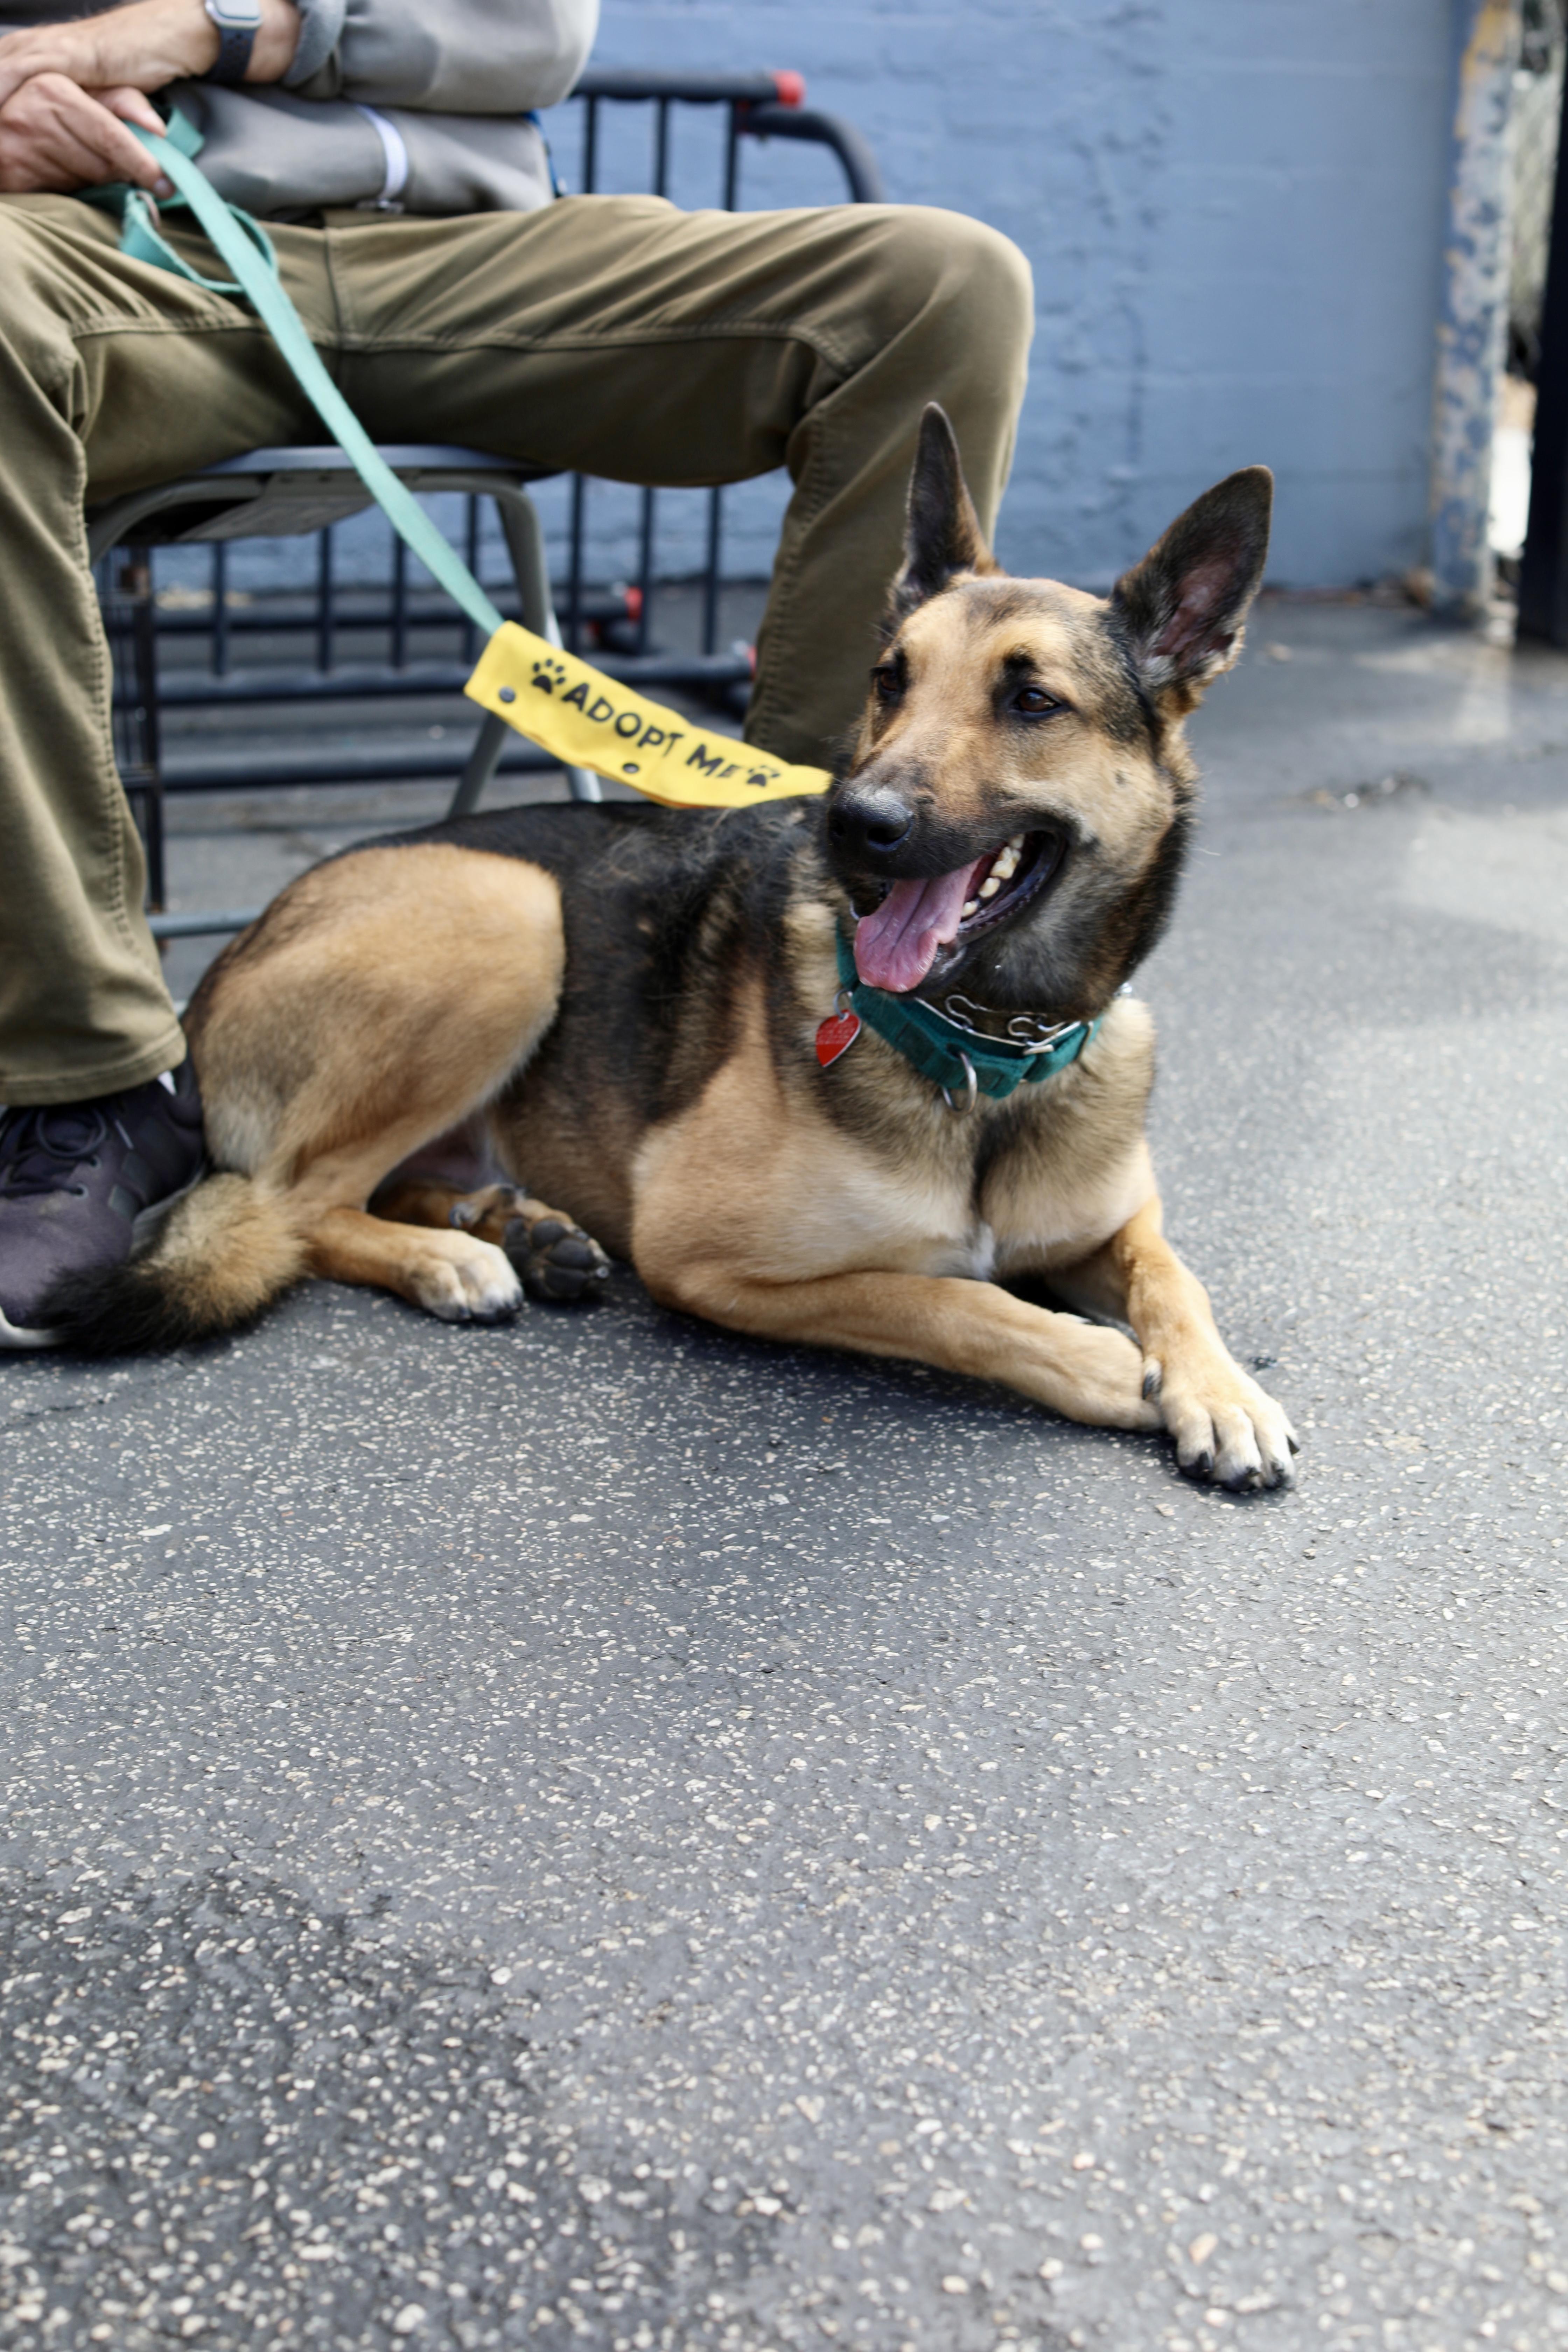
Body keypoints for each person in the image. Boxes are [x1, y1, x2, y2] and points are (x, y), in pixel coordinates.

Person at [0, 0, 1034, 1346]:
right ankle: (84, 1081)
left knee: (947, 281)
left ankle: (797, 956)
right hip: (109, 243)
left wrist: (207, 24)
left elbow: (527, 30)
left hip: (467, 241)